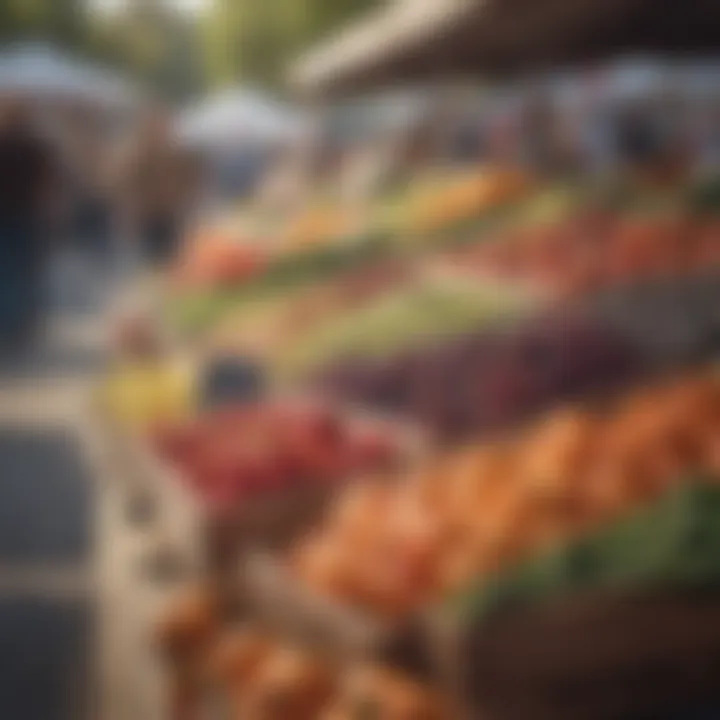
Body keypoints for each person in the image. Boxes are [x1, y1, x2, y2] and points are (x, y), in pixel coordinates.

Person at [0, 98, 57, 353]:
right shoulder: (35, 146)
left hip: (10, 215)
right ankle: (22, 320)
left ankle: (11, 320)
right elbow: (47, 185)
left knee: (8, 267)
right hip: (27, 215)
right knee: (25, 268)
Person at [116, 110, 201, 268]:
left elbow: (190, 179)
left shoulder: (176, 153)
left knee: (174, 255)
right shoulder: (135, 154)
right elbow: (124, 185)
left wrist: (189, 203)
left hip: (171, 213)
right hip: (146, 216)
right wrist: (127, 216)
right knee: (151, 259)